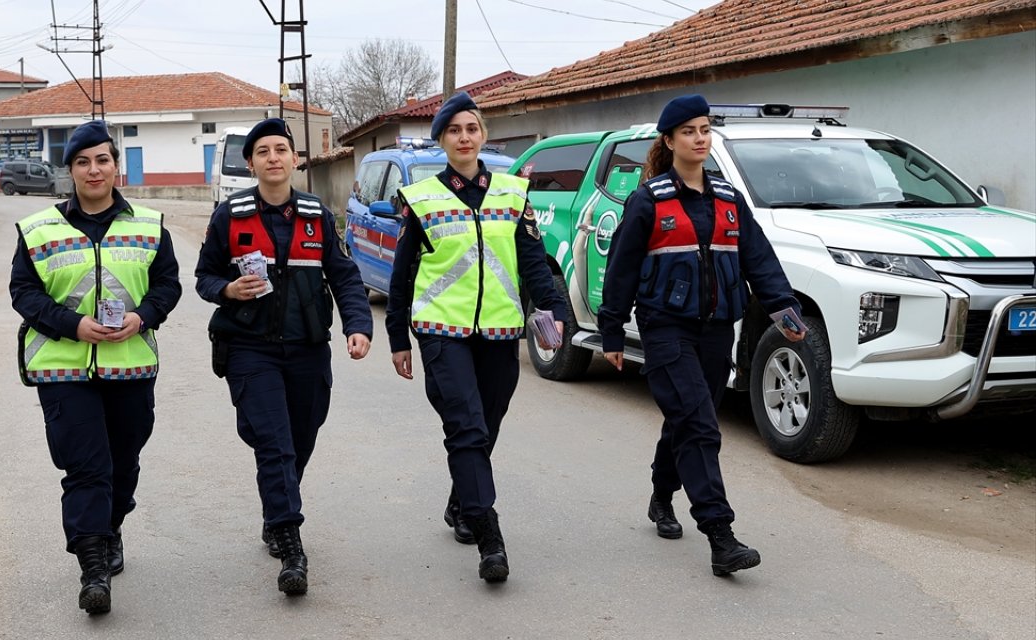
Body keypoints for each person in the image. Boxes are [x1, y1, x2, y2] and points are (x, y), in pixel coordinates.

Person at [597, 95, 805, 577]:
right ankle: (720, 534)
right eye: (688, 131)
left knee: (690, 418)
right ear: (668, 141)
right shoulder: (649, 199)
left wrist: (782, 306)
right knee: (700, 425)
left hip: (716, 328)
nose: (700, 138)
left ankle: (661, 494)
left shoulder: (728, 197)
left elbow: (758, 257)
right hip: (665, 327)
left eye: (705, 129)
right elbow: (622, 269)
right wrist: (611, 329)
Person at [386, 92, 569, 583]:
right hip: (441, 331)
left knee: (485, 427)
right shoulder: (422, 199)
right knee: (465, 427)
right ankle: (489, 536)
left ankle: (461, 500)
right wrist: (397, 336)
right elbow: (402, 275)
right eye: (454, 131)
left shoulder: (513, 193)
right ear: (442, 140)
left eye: (471, 128)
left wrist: (551, 313)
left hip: (500, 329)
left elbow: (533, 262)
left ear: (482, 135)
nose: (464, 137)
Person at [9, 120, 182, 614]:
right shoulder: (40, 229)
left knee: (123, 461)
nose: (93, 169)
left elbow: (167, 286)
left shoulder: (149, 225)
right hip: (64, 369)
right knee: (86, 467)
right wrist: (72, 325)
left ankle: (111, 529)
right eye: (83, 162)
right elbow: (24, 293)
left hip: (130, 367)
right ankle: (92, 567)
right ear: (71, 171)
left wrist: (142, 316)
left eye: (102, 159)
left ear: (115, 166)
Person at [195, 117, 373, 596]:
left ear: (295, 159)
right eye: (263, 151)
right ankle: (291, 543)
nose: (273, 158)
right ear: (251, 162)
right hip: (250, 349)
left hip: (308, 350)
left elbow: (345, 277)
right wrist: (227, 288)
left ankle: (276, 508)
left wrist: (358, 326)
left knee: (300, 438)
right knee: (274, 443)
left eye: (281, 150)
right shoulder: (229, 216)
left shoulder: (317, 215)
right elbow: (204, 277)